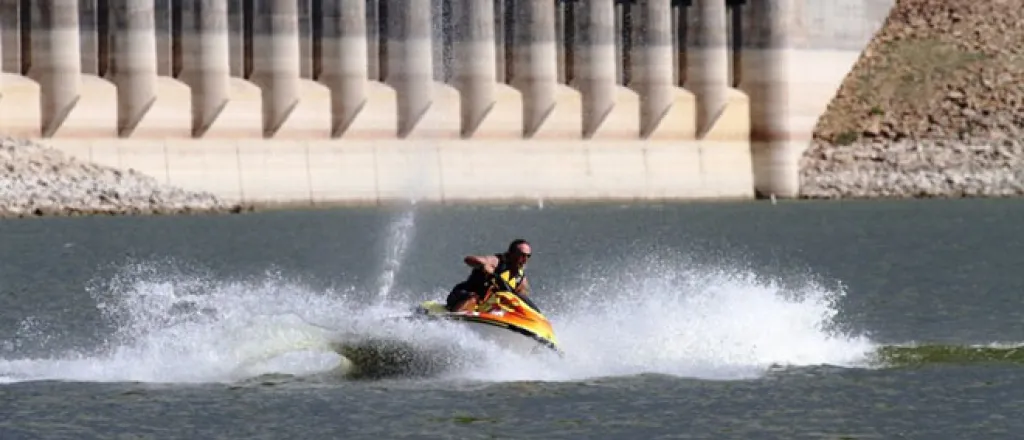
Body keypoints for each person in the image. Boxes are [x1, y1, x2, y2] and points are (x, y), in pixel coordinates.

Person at [445, 239, 533, 313]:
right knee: (473, 299)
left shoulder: (521, 280)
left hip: (483, 307)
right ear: (511, 254)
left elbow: (521, 302)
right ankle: (451, 323)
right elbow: (468, 259)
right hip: (461, 296)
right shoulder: (495, 262)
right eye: (521, 255)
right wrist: (483, 266)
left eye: (528, 256)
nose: (525, 260)